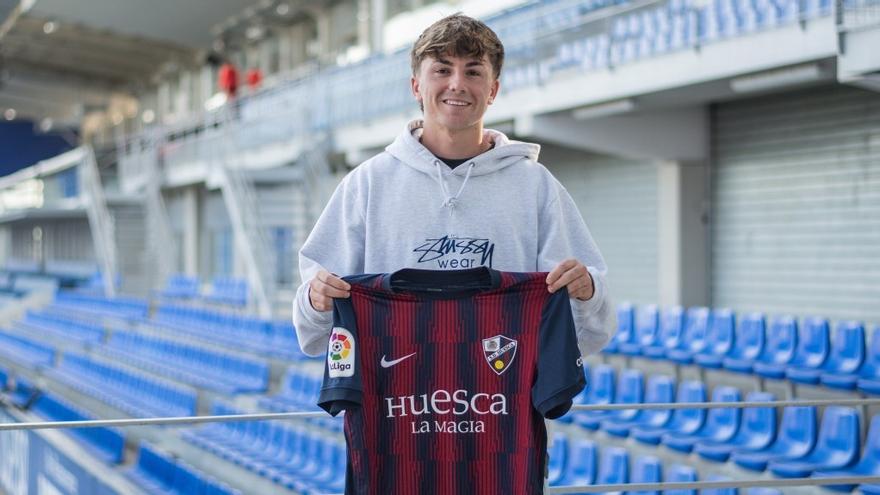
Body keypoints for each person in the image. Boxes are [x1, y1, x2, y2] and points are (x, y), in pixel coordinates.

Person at [293, 13, 615, 359]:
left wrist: (587, 292)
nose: (457, 84)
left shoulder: (535, 186)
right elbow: (312, 336)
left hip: (502, 400)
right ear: (416, 85)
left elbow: (593, 332)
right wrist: (316, 300)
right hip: (392, 400)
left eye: (473, 71)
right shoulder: (367, 184)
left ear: (493, 90)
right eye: (442, 70)